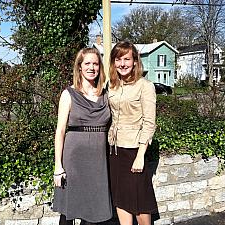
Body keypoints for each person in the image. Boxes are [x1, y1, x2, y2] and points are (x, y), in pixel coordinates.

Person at [53, 48, 112, 225]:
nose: (92, 67)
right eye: (87, 63)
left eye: (95, 63)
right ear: (79, 67)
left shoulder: (105, 94)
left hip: (99, 160)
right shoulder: (68, 94)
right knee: (69, 210)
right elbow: (60, 131)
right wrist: (58, 166)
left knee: (94, 208)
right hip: (74, 159)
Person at [108, 41, 159, 225]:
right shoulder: (111, 85)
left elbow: (149, 122)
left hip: (134, 150)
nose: (122, 63)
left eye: (127, 59)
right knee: (121, 197)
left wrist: (140, 155)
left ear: (135, 61)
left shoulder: (145, 86)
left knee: (140, 200)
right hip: (114, 150)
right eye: (118, 59)